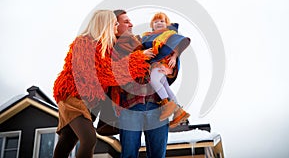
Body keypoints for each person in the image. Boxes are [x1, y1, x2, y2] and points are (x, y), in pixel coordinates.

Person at [52, 10, 151, 158]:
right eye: (115, 23)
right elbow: (106, 73)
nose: (116, 27)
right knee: (89, 139)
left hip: (88, 102)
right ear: (105, 24)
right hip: (72, 96)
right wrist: (139, 58)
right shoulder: (84, 43)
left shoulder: (106, 48)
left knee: (67, 141)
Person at [108, 10, 170, 158]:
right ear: (114, 25)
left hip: (156, 104)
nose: (131, 24)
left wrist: (168, 67)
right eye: (126, 22)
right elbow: (113, 72)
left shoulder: (143, 41)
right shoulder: (109, 48)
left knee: (158, 155)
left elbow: (163, 59)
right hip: (130, 106)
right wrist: (138, 57)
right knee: (128, 154)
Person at [142, 12, 191, 128]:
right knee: (164, 85)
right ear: (152, 25)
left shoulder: (169, 34)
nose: (159, 23)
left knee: (153, 80)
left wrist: (174, 56)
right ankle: (179, 111)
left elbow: (178, 45)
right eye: (156, 21)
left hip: (164, 63)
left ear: (167, 24)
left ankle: (167, 103)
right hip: (156, 64)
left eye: (162, 21)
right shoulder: (148, 36)